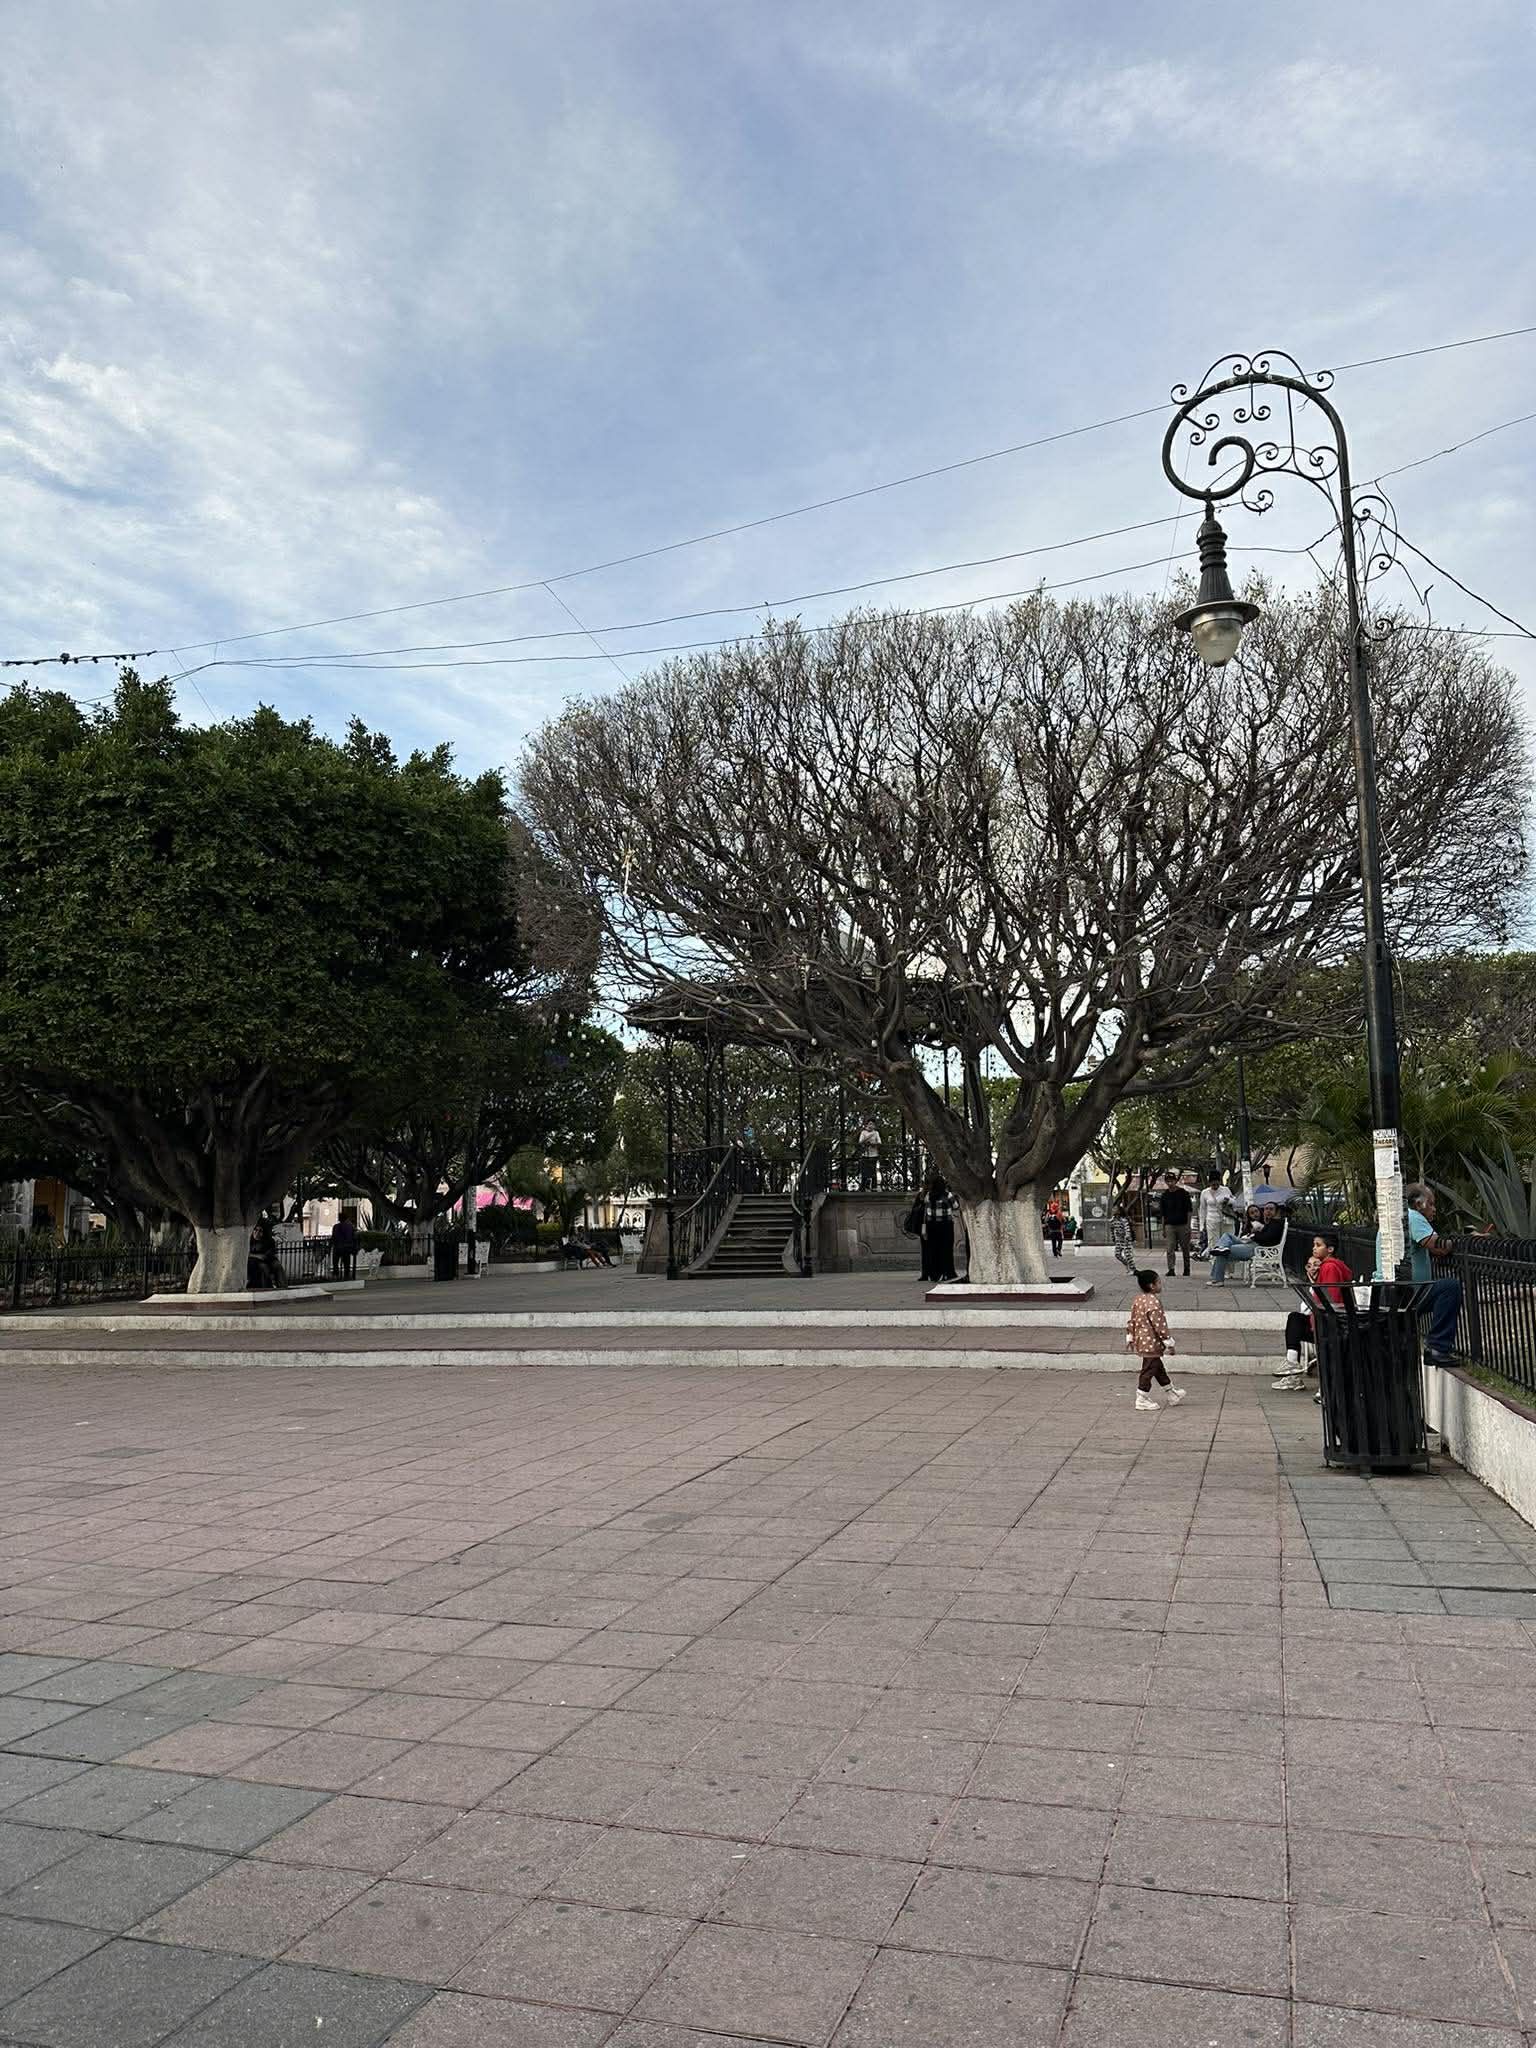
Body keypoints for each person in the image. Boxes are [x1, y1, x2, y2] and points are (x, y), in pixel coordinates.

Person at [1376, 1184, 1462, 1364]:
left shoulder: (1394, 1219)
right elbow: (1437, 1246)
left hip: (1390, 1292)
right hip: (1408, 1293)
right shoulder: (1413, 1218)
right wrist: (1458, 1243)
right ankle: (1438, 1347)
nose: (1434, 1209)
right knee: (1450, 1287)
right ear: (1418, 1204)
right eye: (1430, 1204)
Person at [1273, 1231, 1354, 1390]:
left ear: (1330, 1249)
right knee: (1295, 1319)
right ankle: (1292, 1366)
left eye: (1318, 1245)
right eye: (1314, 1245)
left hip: (1329, 1323)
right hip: (1325, 1320)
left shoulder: (1329, 1267)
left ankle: (1297, 1371)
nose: (1314, 1249)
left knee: (1295, 1320)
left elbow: (1330, 1298)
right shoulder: (1330, 1267)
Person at [1126, 1270, 1187, 1412]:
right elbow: (1159, 1325)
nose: (1161, 1284)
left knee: (1157, 1367)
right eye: (1159, 1282)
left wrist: (1130, 1336)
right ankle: (1142, 1397)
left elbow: (1132, 1319)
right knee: (1149, 1369)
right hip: (1151, 1342)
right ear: (1152, 1286)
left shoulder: (1138, 1299)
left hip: (1142, 1341)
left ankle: (1171, 1392)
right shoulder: (1153, 1302)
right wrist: (1169, 1342)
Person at [1208, 1202, 1285, 1285]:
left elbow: (1266, 1238)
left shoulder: (1276, 1224)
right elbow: (1263, 1236)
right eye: (1266, 1209)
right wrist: (1253, 1234)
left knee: (1222, 1252)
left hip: (1257, 1248)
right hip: (1252, 1244)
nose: (1268, 1211)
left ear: (1276, 1211)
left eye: (1271, 1209)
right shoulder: (1270, 1222)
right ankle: (1220, 1248)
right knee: (1226, 1237)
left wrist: (1254, 1235)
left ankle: (1218, 1279)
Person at [919, 1175, 958, 1283]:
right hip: (946, 1225)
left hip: (932, 1225)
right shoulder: (948, 1195)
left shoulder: (929, 1195)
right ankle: (948, 1272)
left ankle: (934, 1274)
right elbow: (955, 1206)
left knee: (934, 1250)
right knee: (946, 1249)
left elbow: (927, 1210)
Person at [1158, 1169, 1194, 1278]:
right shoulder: (1164, 1196)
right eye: (1168, 1181)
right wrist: (1163, 1228)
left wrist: (1188, 1226)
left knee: (1185, 1248)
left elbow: (1189, 1210)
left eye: (1172, 1180)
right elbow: (1163, 1213)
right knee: (1170, 1248)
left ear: (1175, 1181)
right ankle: (1171, 1269)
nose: (1170, 1183)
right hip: (1170, 1225)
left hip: (1182, 1224)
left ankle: (1187, 1268)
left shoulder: (1183, 1193)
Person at [1198, 1172, 1238, 1258]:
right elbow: (1202, 1209)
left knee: (1227, 1242)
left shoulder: (1226, 1190)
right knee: (1213, 1244)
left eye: (1217, 1184)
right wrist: (1201, 1225)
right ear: (1209, 1183)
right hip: (1211, 1220)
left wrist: (1228, 1201)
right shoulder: (1205, 1193)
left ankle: (1228, 1268)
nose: (1215, 1186)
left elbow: (1234, 1203)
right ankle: (1215, 1265)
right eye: (1213, 1184)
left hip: (1226, 1220)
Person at [856, 1117, 882, 1192]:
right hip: (865, 1154)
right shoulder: (863, 1132)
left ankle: (874, 1187)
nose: (871, 1125)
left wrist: (874, 1143)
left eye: (872, 1124)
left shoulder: (876, 1133)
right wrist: (868, 1137)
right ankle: (863, 1187)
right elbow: (860, 1142)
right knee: (864, 1171)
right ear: (867, 1125)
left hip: (874, 1154)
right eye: (869, 1124)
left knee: (873, 1171)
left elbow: (879, 1142)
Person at [330, 1211, 358, 1280]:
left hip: (338, 1247)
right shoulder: (350, 1226)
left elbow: (333, 1237)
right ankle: (346, 1276)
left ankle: (336, 1275)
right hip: (347, 1247)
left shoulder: (336, 1226)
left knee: (335, 1262)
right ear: (346, 1218)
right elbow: (354, 1237)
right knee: (346, 1263)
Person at [1112, 1201, 1137, 1274]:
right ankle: (1127, 1264)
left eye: (1115, 1209)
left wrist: (1127, 1235)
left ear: (1119, 1212)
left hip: (1126, 1240)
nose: (1113, 1210)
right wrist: (1113, 1237)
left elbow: (1127, 1228)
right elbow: (1112, 1229)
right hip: (1118, 1240)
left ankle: (1133, 1269)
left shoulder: (1123, 1220)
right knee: (1117, 1254)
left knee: (1128, 1255)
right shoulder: (1113, 1220)